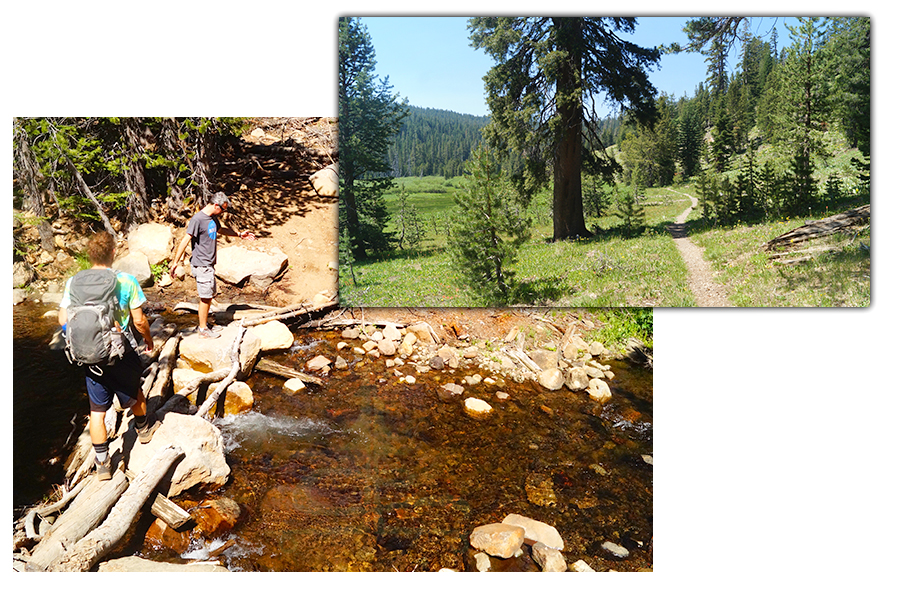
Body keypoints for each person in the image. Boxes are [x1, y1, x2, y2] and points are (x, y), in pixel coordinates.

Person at [58, 231, 159, 481]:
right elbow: (139, 320)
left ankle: (103, 464)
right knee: (135, 389)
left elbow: (62, 319)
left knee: (97, 411)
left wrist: (81, 340)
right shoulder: (125, 280)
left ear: (89, 255)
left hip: (90, 354)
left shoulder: (74, 282)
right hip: (120, 350)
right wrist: (148, 339)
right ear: (113, 253)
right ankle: (144, 430)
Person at [169, 191, 255, 338]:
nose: (223, 212)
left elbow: (221, 230)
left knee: (209, 296)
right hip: (201, 264)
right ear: (216, 205)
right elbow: (185, 240)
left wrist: (240, 234)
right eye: (223, 209)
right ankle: (202, 329)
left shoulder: (213, 218)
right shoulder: (198, 219)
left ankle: (205, 324)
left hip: (209, 265)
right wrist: (175, 262)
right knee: (205, 297)